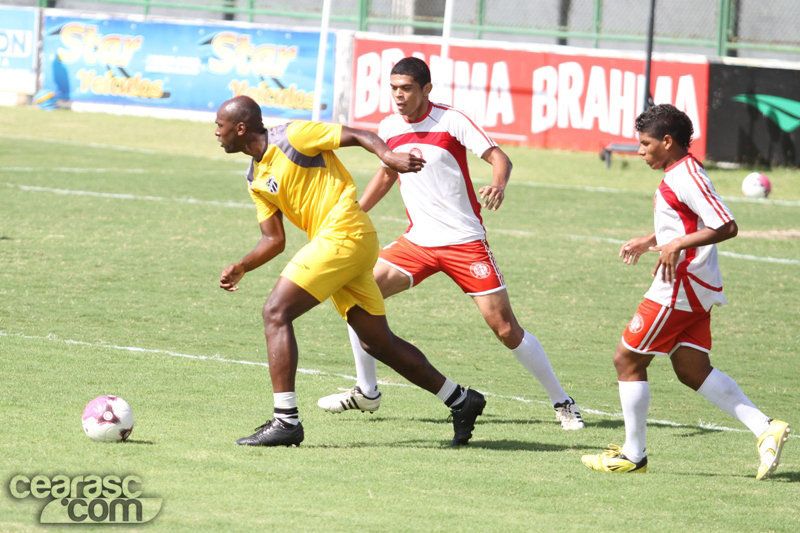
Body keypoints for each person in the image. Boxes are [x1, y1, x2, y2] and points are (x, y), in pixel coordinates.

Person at [316, 57, 584, 430]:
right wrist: (355, 211)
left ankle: (563, 401)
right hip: (418, 242)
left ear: (426, 90)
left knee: (506, 329)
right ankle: (367, 392)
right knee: (357, 294)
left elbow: (498, 157)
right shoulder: (390, 126)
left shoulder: (451, 120)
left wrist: (499, 183)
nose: (398, 95)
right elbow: (387, 173)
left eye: (406, 88)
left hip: (464, 243)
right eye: (394, 87)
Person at [215, 95, 486, 447]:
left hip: (344, 233)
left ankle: (286, 421)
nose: (216, 134)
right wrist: (242, 266)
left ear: (240, 128)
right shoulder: (254, 177)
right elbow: (273, 239)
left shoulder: (293, 136)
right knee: (377, 342)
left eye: (219, 127)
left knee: (275, 311)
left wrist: (387, 156)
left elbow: (359, 134)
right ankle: (461, 400)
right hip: (345, 245)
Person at [581, 104, 790, 478]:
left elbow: (726, 226)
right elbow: (687, 221)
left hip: (681, 284)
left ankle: (633, 455)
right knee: (691, 369)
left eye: (645, 144)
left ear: (667, 141)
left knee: (627, 360)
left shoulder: (686, 175)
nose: (641, 151)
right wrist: (651, 240)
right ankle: (765, 427)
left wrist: (676, 247)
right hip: (694, 284)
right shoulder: (680, 171)